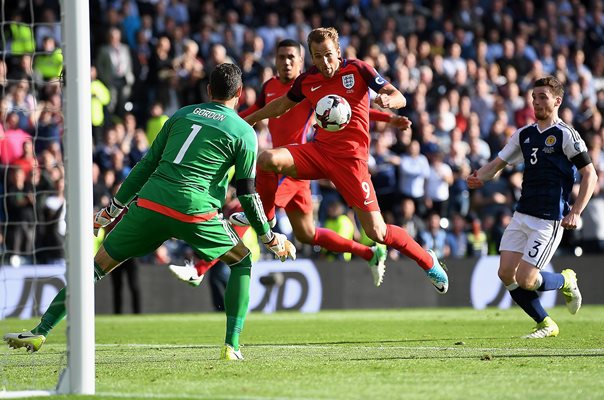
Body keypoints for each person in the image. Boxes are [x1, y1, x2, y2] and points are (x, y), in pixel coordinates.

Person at [3, 64, 296, 360]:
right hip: (195, 211)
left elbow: (145, 165)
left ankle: (41, 330)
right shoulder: (245, 132)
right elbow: (247, 193)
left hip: (150, 204)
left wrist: (113, 209)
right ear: (240, 94)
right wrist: (268, 236)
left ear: (208, 90)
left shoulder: (182, 114)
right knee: (242, 261)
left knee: (93, 269)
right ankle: (231, 346)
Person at [170, 39, 413, 288]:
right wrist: (222, 123)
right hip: (281, 167)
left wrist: (387, 118)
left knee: (251, 215)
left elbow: (346, 108)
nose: (286, 62)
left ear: (301, 61)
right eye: (281, 57)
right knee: (306, 234)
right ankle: (370, 253)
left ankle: (199, 269)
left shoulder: (309, 87)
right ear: (275, 61)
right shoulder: (269, 87)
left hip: (293, 166)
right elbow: (252, 112)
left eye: (291, 57)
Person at [242, 28, 448, 293]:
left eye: (328, 55)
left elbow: (399, 95)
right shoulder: (307, 80)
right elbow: (281, 106)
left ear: (338, 52)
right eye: (318, 57)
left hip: (352, 164)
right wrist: (247, 120)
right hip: (318, 152)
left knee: (378, 233)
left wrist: (389, 100)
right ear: (312, 59)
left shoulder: (358, 70)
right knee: (267, 159)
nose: (325, 62)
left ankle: (427, 260)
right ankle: (268, 223)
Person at [467, 76, 597, 338]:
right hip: (522, 213)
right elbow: (498, 164)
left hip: (548, 220)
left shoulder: (566, 135)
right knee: (505, 273)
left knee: (526, 279)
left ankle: (565, 280)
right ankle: (546, 324)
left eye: (543, 97)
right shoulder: (524, 134)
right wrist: (479, 176)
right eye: (534, 97)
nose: (536, 102)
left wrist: (576, 211)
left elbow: (590, 175)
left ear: (557, 101)